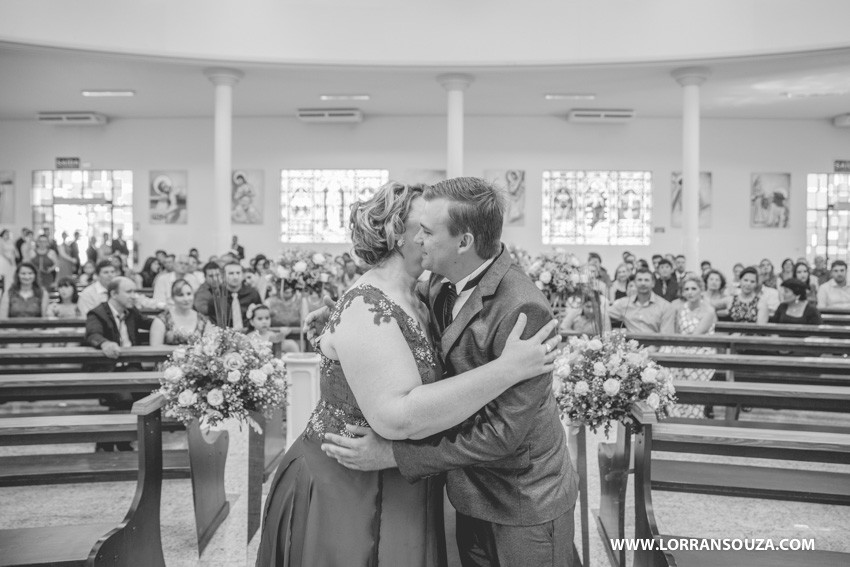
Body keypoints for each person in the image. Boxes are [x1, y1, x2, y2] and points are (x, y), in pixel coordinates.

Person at [268, 179, 572, 567]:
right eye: (421, 229)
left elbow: (501, 434)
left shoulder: (520, 308)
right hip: (358, 482)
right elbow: (378, 323)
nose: (425, 238)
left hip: (520, 497)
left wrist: (396, 456)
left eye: (431, 230)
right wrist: (342, 324)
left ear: (462, 242)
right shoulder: (433, 288)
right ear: (398, 236)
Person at [84, 276, 152, 451]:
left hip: (131, 366)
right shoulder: (97, 313)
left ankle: (113, 441)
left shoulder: (131, 312)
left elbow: (150, 323)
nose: (134, 295)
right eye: (129, 292)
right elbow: (92, 334)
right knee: (124, 398)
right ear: (114, 293)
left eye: (134, 291)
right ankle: (117, 441)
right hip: (109, 368)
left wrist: (168, 322)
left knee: (148, 393)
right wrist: (104, 343)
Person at [662, 275, 717, 418]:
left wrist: (681, 347)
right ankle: (675, 410)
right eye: (686, 289)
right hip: (683, 345)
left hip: (701, 347)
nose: (690, 292)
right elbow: (676, 331)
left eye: (694, 288)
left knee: (684, 359)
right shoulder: (681, 308)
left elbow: (696, 335)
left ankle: (694, 412)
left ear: (701, 290)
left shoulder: (709, 311)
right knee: (666, 353)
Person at [609, 268, 675, 333]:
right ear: (635, 282)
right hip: (631, 342)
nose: (643, 283)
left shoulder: (665, 307)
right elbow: (604, 313)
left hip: (655, 343)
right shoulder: (624, 304)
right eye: (639, 280)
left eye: (646, 280)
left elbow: (667, 337)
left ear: (653, 283)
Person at [149, 279, 209, 346]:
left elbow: (210, 347)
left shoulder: (203, 320)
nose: (186, 299)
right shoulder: (161, 320)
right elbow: (155, 348)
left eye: (189, 294)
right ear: (172, 297)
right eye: (180, 295)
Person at [206, 261, 260, 330]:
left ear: (243, 275)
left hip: (250, 334)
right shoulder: (216, 298)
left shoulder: (253, 294)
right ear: (223, 276)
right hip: (225, 336)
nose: (235, 277)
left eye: (238, 273)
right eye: (231, 273)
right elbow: (214, 324)